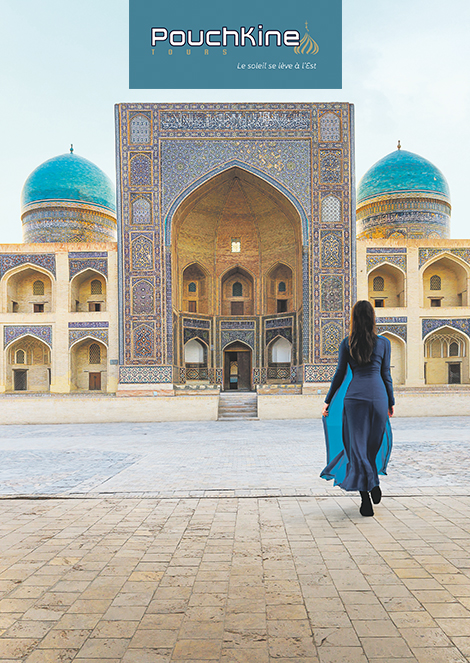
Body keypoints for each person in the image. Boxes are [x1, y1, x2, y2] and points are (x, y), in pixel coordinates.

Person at [320, 300, 394, 517]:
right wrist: (391, 401)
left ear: (353, 319)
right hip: (378, 396)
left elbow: (339, 375)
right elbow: (386, 375)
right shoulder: (384, 343)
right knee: (371, 447)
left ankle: (366, 499)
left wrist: (328, 400)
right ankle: (374, 483)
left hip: (354, 399)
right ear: (372, 318)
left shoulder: (347, 343)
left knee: (358, 449)